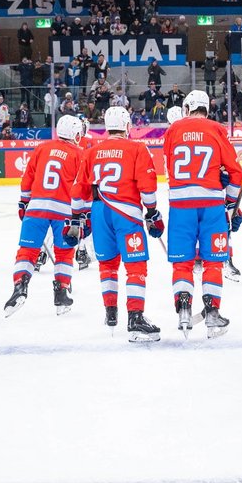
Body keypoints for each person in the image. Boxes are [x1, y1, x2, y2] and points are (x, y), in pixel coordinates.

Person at [70, 106, 163, 342]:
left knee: (108, 264)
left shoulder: (92, 151)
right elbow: (147, 185)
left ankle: (110, 313)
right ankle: (135, 318)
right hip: (126, 212)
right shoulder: (137, 148)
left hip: (99, 212)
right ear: (127, 126)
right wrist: (152, 213)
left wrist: (76, 217)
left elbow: (79, 189)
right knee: (136, 265)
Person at [163, 91, 242, 338]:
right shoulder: (217, 129)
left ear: (187, 107)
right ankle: (212, 313)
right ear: (207, 108)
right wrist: (232, 205)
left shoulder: (173, 129)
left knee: (182, 262)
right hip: (211, 205)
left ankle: (184, 310)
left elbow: (169, 163)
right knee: (213, 262)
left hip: (180, 205)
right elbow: (235, 172)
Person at [5, 115, 85, 317]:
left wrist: (24, 202)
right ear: (75, 134)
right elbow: (82, 187)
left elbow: (28, 178)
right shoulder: (79, 154)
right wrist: (83, 214)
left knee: (27, 250)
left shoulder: (41, 148)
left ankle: (19, 288)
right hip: (64, 211)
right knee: (64, 253)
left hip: (36, 207)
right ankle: (61, 293)